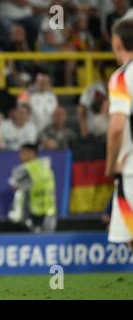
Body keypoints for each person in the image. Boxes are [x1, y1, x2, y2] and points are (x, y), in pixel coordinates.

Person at [105, 18, 133, 249]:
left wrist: (110, 165)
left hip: (130, 167)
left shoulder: (123, 78)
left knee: (131, 235)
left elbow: (116, 127)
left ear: (117, 43)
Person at [7, 144, 57, 233]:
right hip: (49, 210)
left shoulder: (23, 169)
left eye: (23, 153)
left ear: (31, 153)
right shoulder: (47, 165)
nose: (20, 156)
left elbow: (14, 185)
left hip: (31, 213)